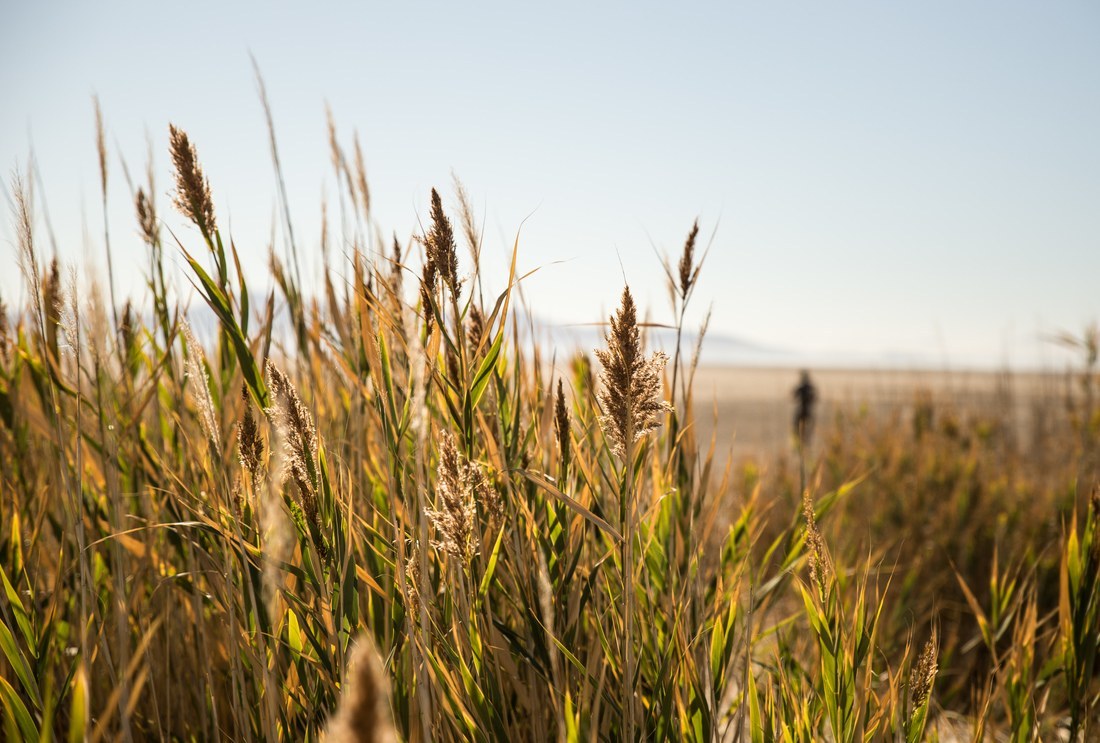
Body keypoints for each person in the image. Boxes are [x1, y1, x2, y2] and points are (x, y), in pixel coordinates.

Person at [792, 370, 817, 445]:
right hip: (809, 411)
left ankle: (800, 439)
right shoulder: (811, 388)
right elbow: (815, 398)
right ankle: (806, 440)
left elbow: (794, 396)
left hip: (802, 410)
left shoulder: (801, 387)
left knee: (796, 425)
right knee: (809, 426)